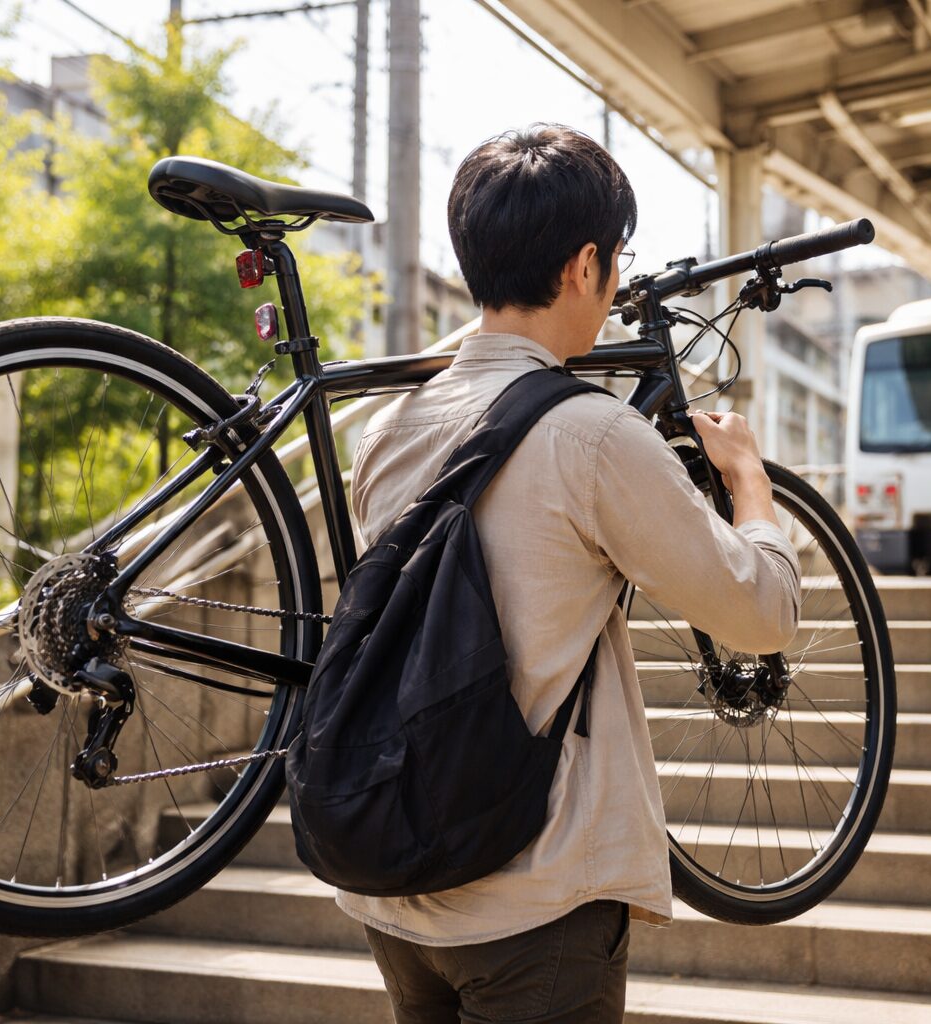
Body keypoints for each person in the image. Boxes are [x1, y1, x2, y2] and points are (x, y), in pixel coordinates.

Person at [342, 122, 803, 1024]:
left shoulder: (387, 430)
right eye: (616, 258)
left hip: (394, 891)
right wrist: (749, 483)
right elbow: (762, 614)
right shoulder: (594, 437)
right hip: (536, 903)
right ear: (586, 265)